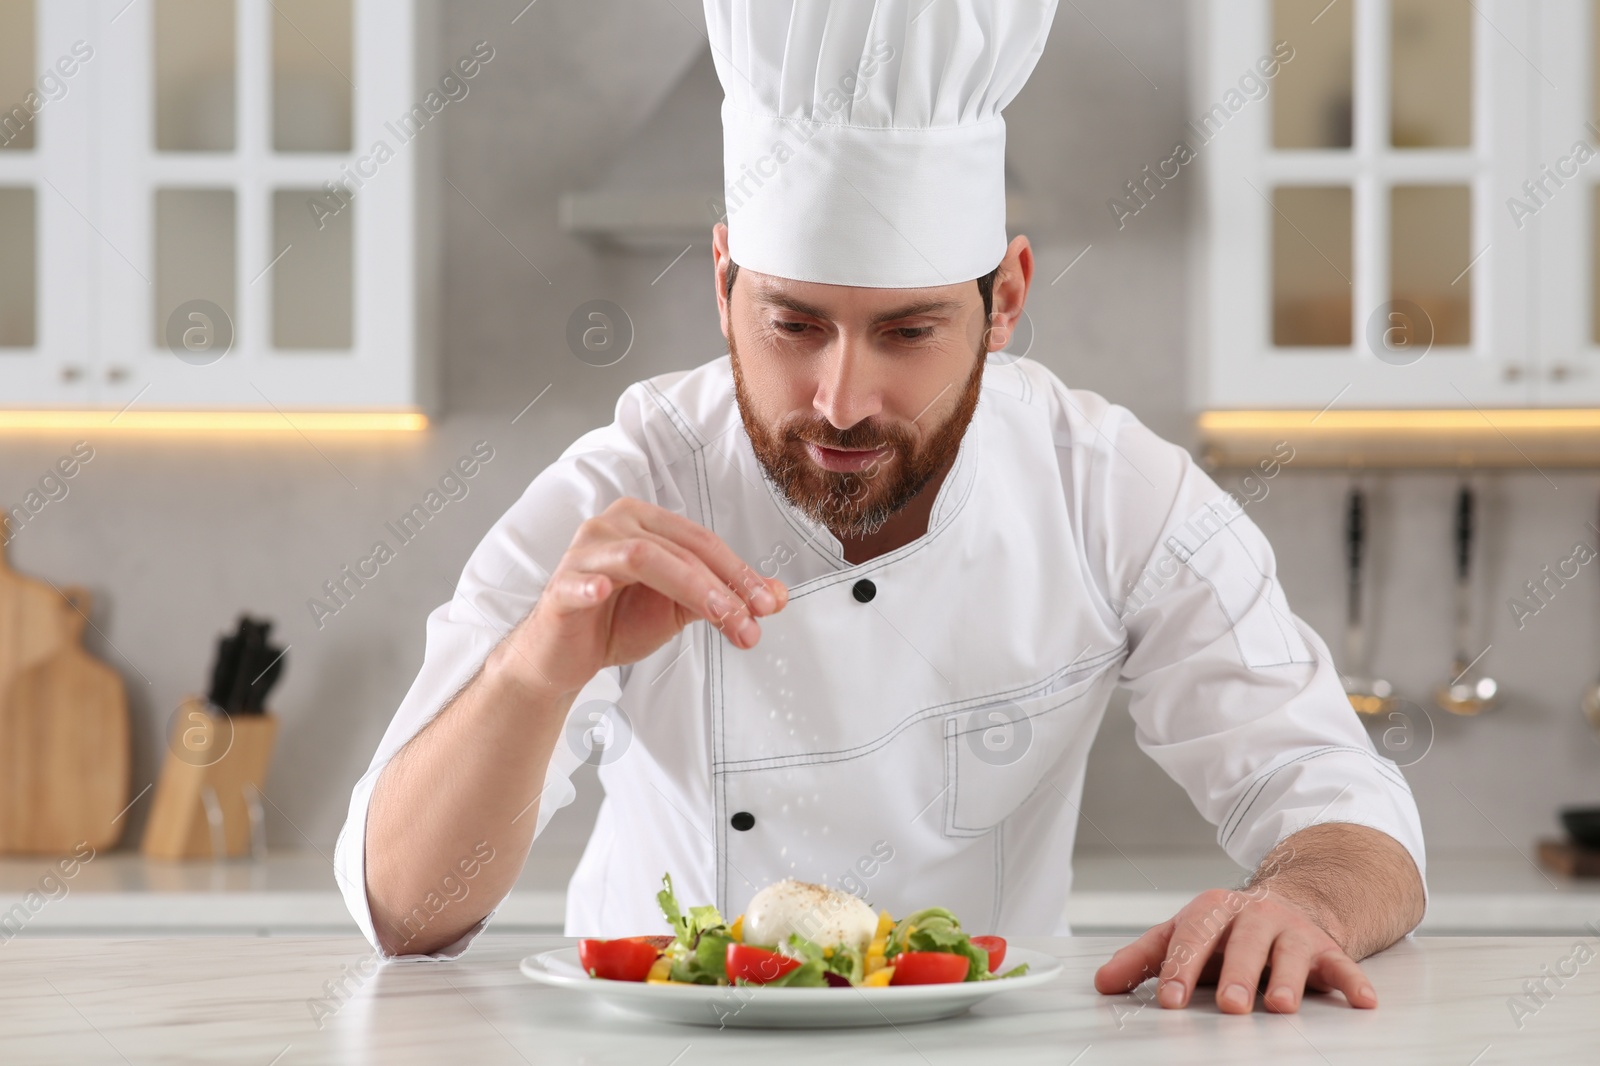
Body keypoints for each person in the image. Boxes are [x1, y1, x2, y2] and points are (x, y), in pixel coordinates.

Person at [337, 0, 1426, 1016]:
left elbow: (1338, 799)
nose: (840, 401)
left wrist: (1307, 903)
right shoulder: (625, 491)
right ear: (722, 281)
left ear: (1004, 299)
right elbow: (404, 912)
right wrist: (541, 665)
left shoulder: (1109, 491)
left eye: (906, 332)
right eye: (791, 325)